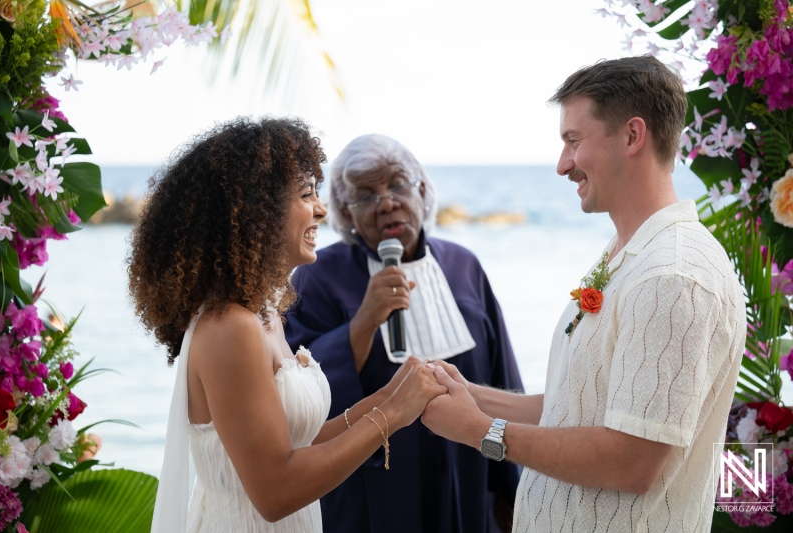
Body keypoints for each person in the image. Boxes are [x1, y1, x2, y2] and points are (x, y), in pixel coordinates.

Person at [421, 55, 747, 532]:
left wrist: (479, 432)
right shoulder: (626, 253)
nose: (562, 165)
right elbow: (578, 407)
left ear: (633, 136)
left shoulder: (672, 276)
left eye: (574, 141)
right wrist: (468, 395)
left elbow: (632, 460)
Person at [127, 117, 446, 532]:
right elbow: (275, 492)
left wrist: (390, 394)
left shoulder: (263, 315)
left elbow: (296, 442)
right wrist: (391, 415)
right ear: (256, 208)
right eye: (306, 193)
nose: (321, 209)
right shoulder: (230, 327)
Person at [284, 134, 523, 533]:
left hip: (469, 479)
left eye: (397, 185)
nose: (387, 203)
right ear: (344, 209)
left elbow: (503, 380)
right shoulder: (318, 276)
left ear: (423, 190)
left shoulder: (464, 266)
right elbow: (302, 399)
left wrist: (513, 493)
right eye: (365, 196)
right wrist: (362, 322)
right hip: (373, 493)